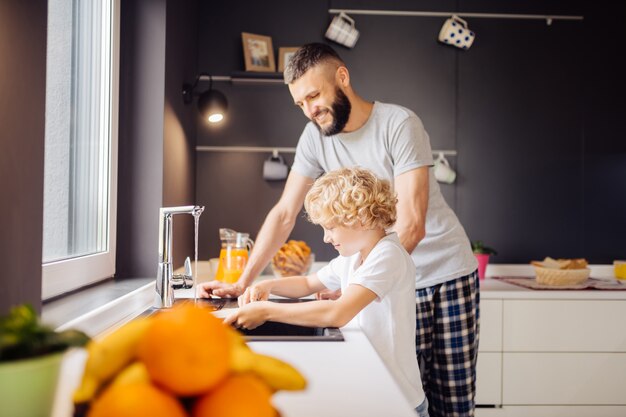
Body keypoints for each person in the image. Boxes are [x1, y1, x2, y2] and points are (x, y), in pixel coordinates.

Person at [198, 43, 479, 417]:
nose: (309, 110)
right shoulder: (314, 137)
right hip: (378, 275)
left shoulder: (398, 124)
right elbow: (284, 213)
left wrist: (364, 284)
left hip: (444, 276)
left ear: (341, 78)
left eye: (314, 95)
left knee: (450, 404)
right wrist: (245, 282)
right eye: (300, 103)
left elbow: (411, 223)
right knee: (403, 394)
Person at [224, 167, 429, 416]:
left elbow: (337, 313)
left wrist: (266, 311)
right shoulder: (354, 257)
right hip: (372, 389)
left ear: (361, 218)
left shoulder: (388, 255)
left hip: (398, 399)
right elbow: (309, 284)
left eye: (330, 227)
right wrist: (267, 285)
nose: (325, 238)